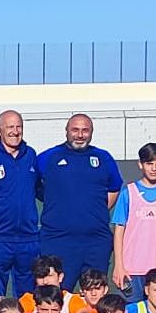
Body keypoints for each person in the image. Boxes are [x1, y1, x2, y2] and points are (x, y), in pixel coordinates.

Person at [37, 113, 122, 289]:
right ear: (66, 131)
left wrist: (94, 210)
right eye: (75, 130)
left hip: (95, 243)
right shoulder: (47, 157)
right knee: (55, 298)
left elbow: (114, 188)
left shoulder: (103, 158)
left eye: (85, 130)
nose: (80, 135)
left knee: (95, 297)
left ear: (91, 133)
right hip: (57, 241)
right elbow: (34, 186)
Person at [0, 110, 40, 313]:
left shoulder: (31, 156)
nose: (15, 132)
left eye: (18, 127)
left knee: (28, 297)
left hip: (27, 238)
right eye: (10, 127)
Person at [111, 142, 156, 302]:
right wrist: (119, 265)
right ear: (140, 164)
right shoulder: (128, 193)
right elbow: (119, 231)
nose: (154, 168)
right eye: (149, 163)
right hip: (132, 269)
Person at [19, 255, 91, 313]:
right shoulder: (28, 299)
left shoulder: (71, 300)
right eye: (40, 277)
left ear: (60, 277)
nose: (45, 282)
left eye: (50, 276)